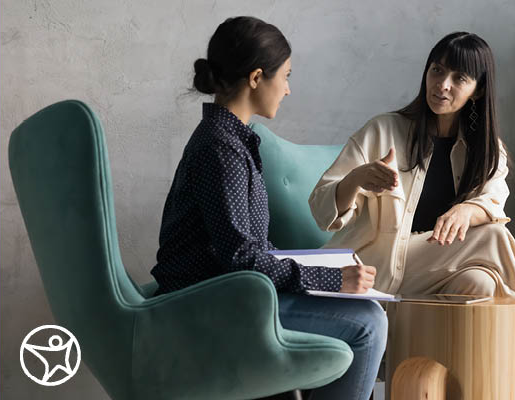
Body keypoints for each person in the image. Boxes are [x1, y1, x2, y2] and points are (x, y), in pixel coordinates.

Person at [309, 32, 515, 399]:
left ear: (476, 90)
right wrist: (356, 179)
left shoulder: (487, 149)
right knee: (494, 237)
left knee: (481, 285)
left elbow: (494, 197)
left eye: (459, 78)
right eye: (437, 71)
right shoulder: (384, 130)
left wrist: (467, 209)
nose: (442, 85)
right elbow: (320, 206)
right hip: (374, 272)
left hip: (431, 279)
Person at [150, 16, 386, 400]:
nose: (289, 89)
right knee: (367, 325)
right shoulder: (220, 149)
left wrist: (322, 271)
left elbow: (247, 248)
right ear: (257, 77)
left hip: (232, 292)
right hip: (208, 302)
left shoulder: (230, 140)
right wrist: (330, 280)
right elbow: (241, 258)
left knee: (364, 314)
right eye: (286, 75)